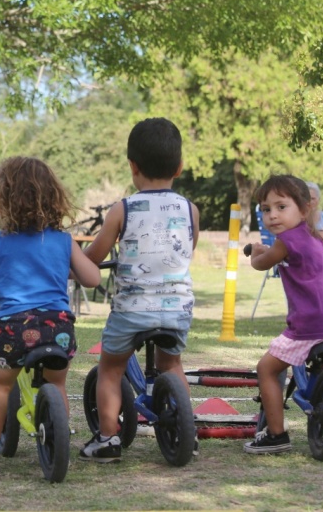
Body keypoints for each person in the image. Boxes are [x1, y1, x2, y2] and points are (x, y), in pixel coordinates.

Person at [0, 156, 101, 473]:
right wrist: (68, 265)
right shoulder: (64, 240)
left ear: (4, 200)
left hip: (15, 329)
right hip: (58, 327)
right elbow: (92, 278)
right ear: (54, 198)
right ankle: (59, 435)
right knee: (57, 382)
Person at [81, 117, 199, 463]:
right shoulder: (190, 209)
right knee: (172, 363)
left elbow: (95, 258)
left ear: (132, 166)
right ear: (179, 166)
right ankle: (186, 435)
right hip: (177, 307)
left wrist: (77, 264)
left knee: (110, 369)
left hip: (133, 308)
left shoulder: (123, 209)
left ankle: (107, 439)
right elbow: (185, 253)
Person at [244, 174, 323, 454]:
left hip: (306, 328)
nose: (272, 215)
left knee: (267, 369)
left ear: (304, 209)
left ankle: (276, 434)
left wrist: (254, 254)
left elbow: (262, 264)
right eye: (266, 209)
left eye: (281, 207)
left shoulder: (285, 241)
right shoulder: (316, 236)